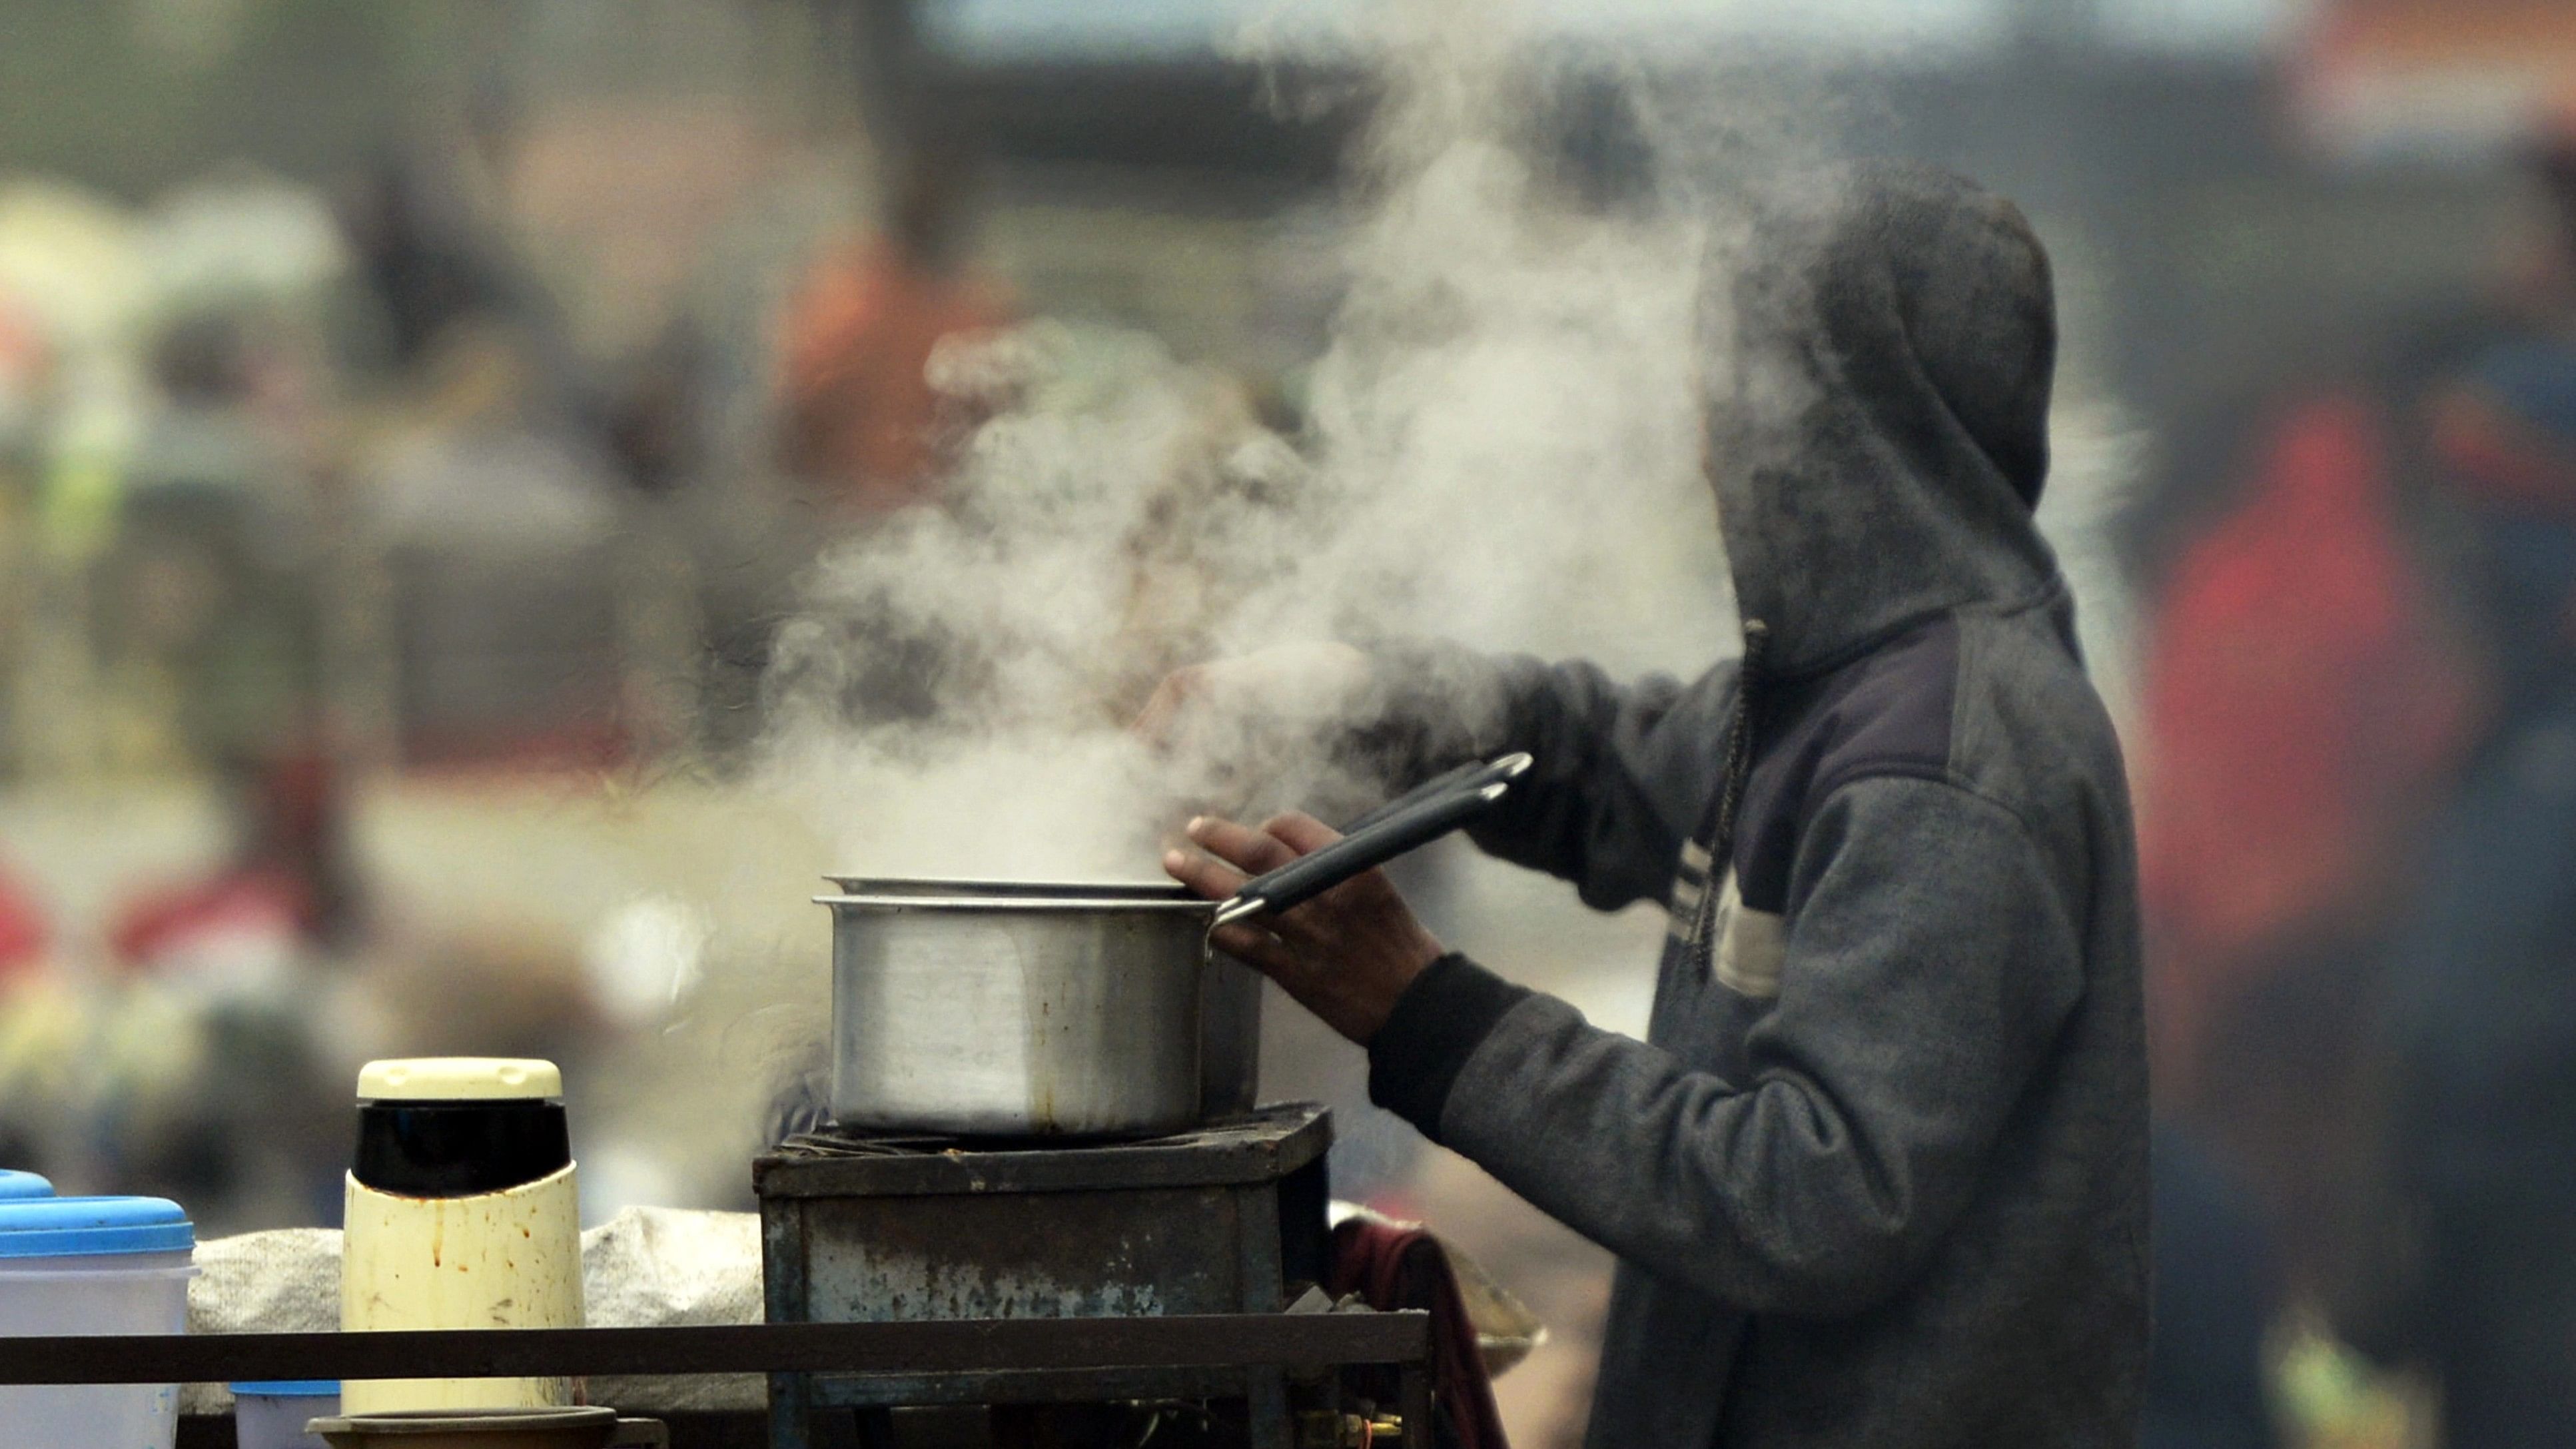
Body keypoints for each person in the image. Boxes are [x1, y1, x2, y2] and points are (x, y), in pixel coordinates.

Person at [1153, 163, 2149, 1446]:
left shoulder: (1946, 763)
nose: (1702, 424)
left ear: (1829, 411)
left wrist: (1427, 1012)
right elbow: (1605, 764)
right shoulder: (1833, 691)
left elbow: (1811, 1198)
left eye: (1728, 370)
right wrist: (1367, 698)